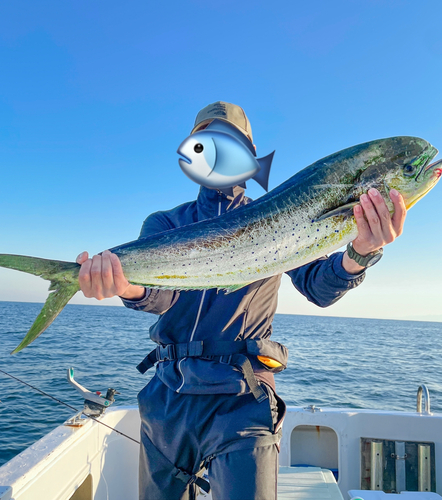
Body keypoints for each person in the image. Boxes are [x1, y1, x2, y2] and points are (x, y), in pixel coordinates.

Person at [76, 101, 406, 500]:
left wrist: (360, 253)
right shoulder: (165, 223)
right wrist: (125, 286)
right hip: (169, 394)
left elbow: (318, 288)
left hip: (243, 397)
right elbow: (161, 297)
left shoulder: (283, 214)